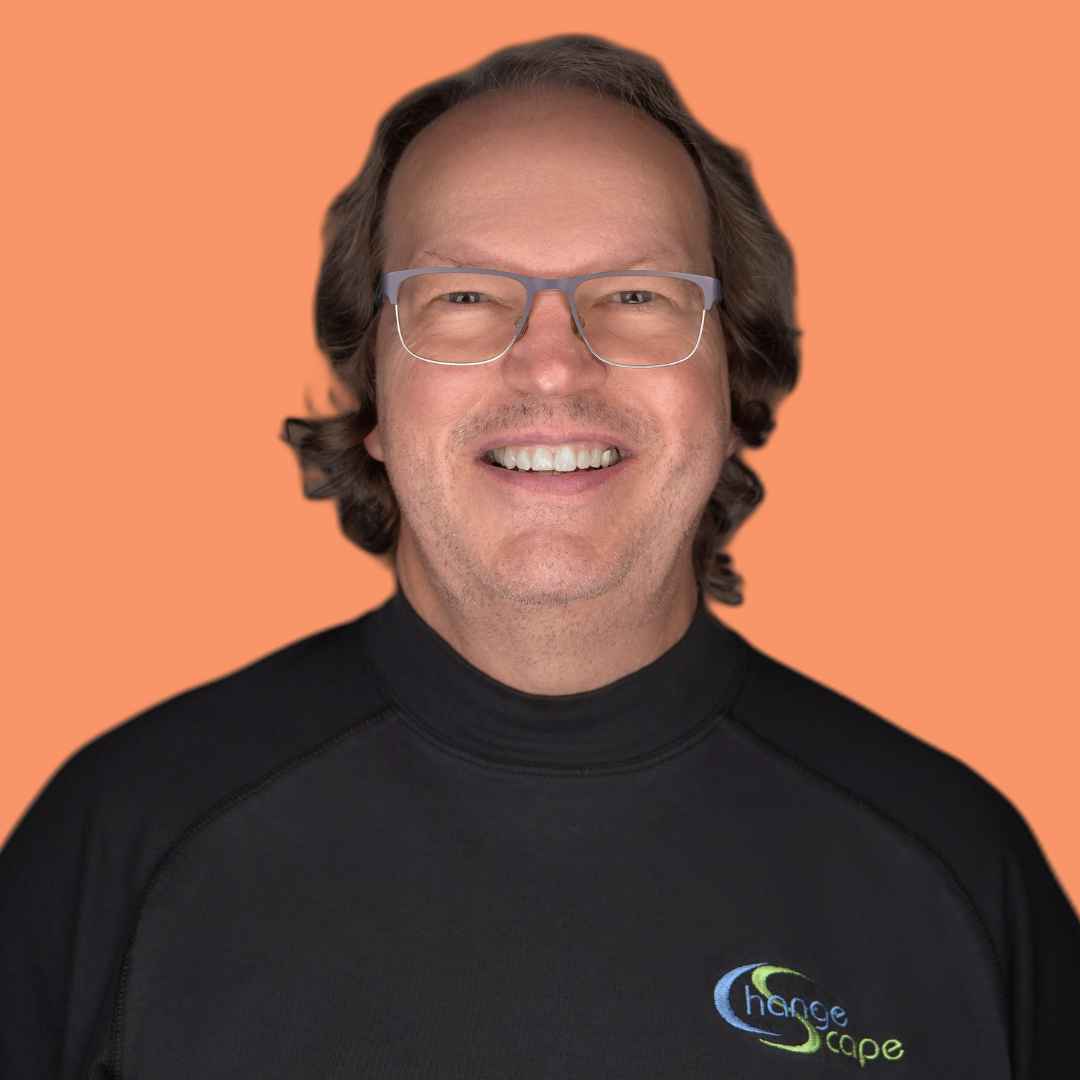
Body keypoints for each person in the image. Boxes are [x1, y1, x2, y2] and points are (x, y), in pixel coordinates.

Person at [2, 33, 1077, 1079]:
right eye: (464, 299)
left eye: (638, 296)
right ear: (373, 395)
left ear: (731, 381)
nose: (554, 368)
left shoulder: (958, 868)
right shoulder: (118, 844)